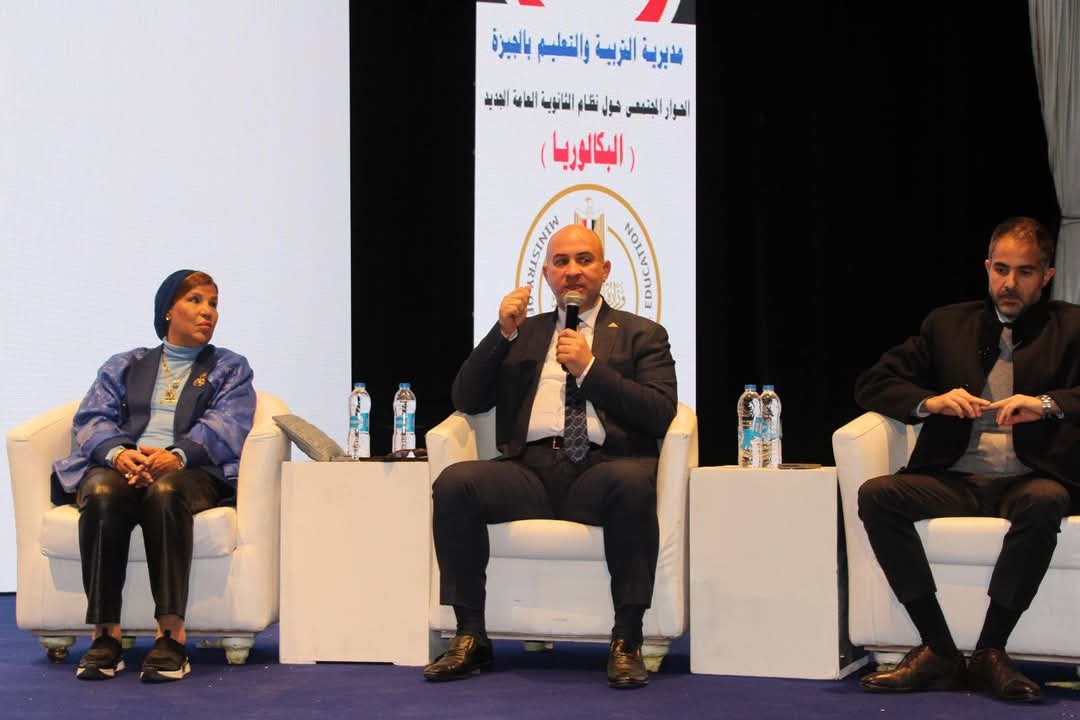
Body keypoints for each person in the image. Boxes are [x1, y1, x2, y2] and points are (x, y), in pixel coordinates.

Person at [423, 224, 677, 688]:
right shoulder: (524, 332)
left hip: (604, 470)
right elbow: (467, 398)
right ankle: (470, 636)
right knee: (456, 484)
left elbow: (660, 413)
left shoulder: (642, 334)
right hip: (531, 471)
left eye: (584, 260)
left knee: (632, 483)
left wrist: (590, 369)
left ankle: (626, 639)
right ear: (546, 274)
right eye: (561, 262)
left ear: (605, 270)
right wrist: (501, 334)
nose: (572, 271)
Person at [853, 216, 1080, 703]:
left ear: (1046, 276)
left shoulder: (1071, 326)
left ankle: (990, 652)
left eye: (1024, 272)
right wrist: (930, 402)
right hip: (954, 478)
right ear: (987, 267)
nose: (1009, 283)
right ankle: (937, 647)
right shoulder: (948, 324)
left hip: (1030, 478)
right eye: (1001, 269)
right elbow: (872, 383)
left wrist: (1045, 404)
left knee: (1046, 502)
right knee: (877, 496)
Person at [52, 269, 256, 683]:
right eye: (195, 300)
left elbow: (229, 423)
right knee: (102, 491)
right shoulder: (124, 365)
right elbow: (92, 418)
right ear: (167, 311)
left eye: (213, 304)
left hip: (191, 470)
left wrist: (176, 455)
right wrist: (119, 454)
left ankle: (171, 635)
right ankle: (105, 634)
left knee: (165, 491)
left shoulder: (230, 368)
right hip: (124, 465)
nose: (208, 312)